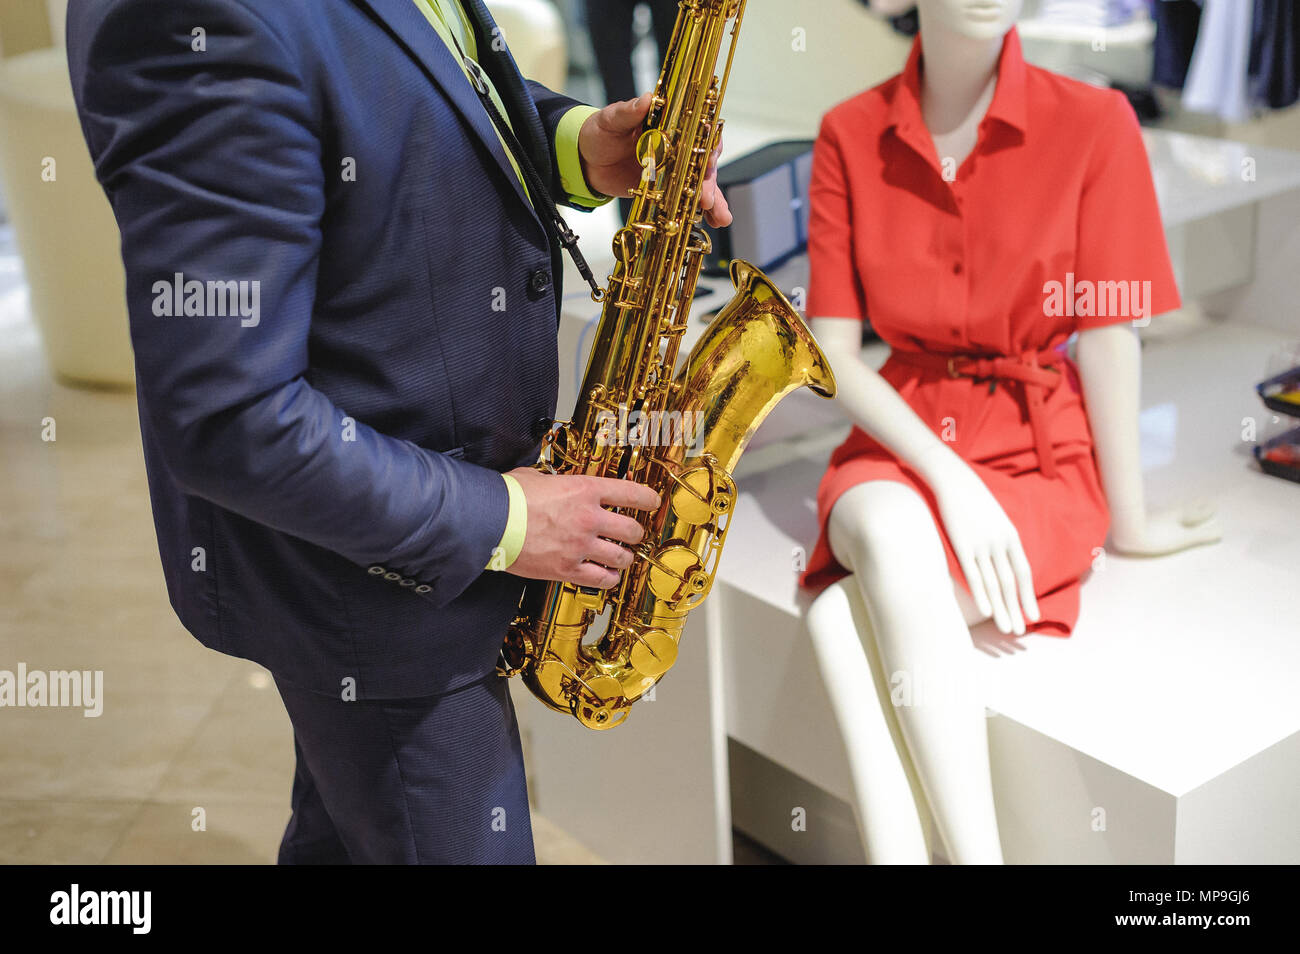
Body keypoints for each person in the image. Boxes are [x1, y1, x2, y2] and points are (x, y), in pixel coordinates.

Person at [65, 0, 729, 865]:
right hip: (372, 596)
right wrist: (506, 521)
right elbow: (230, 417)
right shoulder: (193, 19)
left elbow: (414, 74)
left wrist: (569, 143)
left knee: (343, 838)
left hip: (393, 572)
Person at [800, 0, 1220, 863]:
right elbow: (831, 353)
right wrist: (950, 477)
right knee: (884, 524)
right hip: (900, 440)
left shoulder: (1095, 122)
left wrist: (1130, 524)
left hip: (1039, 451)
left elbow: (1109, 334)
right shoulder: (850, 131)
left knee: (843, 615)